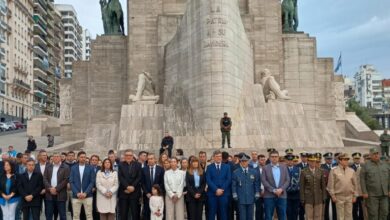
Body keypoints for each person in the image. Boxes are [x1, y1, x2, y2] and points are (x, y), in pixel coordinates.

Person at [360, 147, 389, 220]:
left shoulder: (385, 165)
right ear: (370, 155)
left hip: (384, 194)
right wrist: (364, 192)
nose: (376, 155)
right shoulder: (365, 165)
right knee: (373, 214)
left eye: (377, 154)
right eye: (374, 154)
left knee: (385, 212)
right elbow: (362, 179)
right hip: (372, 195)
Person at [327, 153, 357, 220]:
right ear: (340, 160)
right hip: (339, 197)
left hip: (349, 196)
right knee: (340, 217)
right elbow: (330, 185)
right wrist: (333, 196)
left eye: (347, 159)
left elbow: (355, 184)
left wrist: (355, 196)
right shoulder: (334, 171)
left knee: (349, 216)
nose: (346, 161)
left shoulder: (351, 171)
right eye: (345, 159)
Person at [261, 150, 290, 220]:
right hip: (269, 195)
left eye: (276, 157)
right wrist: (273, 190)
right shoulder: (265, 168)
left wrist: (281, 189)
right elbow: (264, 181)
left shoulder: (284, 167)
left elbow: (287, 180)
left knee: (282, 216)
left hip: (282, 195)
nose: (274, 158)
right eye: (272, 157)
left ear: (278, 157)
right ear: (270, 158)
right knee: (268, 216)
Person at [232, 154, 261, 220]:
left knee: (250, 216)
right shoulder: (236, 172)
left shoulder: (254, 172)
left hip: (251, 197)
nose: (244, 162)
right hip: (240, 198)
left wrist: (257, 192)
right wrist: (234, 194)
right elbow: (234, 184)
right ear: (240, 162)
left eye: (245, 161)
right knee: (242, 217)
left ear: (248, 162)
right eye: (242, 161)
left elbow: (256, 183)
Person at [69, 151, 96, 220]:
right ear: (78, 158)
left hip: (87, 195)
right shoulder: (73, 168)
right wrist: (77, 193)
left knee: (89, 215)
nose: (83, 158)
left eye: (84, 157)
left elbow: (92, 182)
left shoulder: (90, 168)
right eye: (81, 157)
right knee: (75, 216)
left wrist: (85, 193)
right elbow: (71, 182)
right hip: (76, 196)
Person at [206, 150, 232, 220]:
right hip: (212, 194)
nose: (219, 158)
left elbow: (228, 179)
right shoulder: (209, 167)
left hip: (224, 194)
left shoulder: (227, 167)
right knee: (211, 214)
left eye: (220, 156)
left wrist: (221, 190)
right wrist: (216, 190)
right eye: (217, 156)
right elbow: (208, 180)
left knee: (223, 214)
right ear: (214, 157)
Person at [43, 152, 70, 220]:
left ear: (60, 158)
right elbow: (45, 178)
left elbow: (66, 180)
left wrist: (56, 189)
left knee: (62, 215)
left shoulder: (66, 167)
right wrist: (50, 188)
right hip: (49, 194)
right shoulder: (48, 167)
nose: (56, 158)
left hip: (61, 194)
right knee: (49, 215)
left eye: (58, 156)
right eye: (54, 156)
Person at [299, 153, 326, 220]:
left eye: (314, 161)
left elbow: (323, 185)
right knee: (309, 216)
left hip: (318, 198)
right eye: (311, 161)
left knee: (318, 216)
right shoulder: (304, 171)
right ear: (308, 161)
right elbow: (302, 186)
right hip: (308, 198)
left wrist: (324, 197)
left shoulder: (320, 171)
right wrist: (302, 198)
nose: (313, 163)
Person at [118, 149, 143, 220]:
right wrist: (127, 187)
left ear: (133, 156)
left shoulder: (138, 165)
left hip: (135, 193)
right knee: (123, 214)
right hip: (123, 192)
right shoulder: (120, 165)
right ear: (124, 156)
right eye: (127, 155)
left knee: (135, 214)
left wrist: (132, 187)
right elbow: (120, 177)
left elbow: (139, 177)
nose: (128, 157)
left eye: (130, 155)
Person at [142, 153, 165, 220]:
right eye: (148, 159)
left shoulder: (160, 169)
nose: (150, 160)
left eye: (151, 158)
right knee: (147, 213)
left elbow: (162, 182)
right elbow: (142, 183)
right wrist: (147, 193)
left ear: (155, 159)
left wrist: (156, 193)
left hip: (158, 197)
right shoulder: (143, 169)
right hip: (147, 196)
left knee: (157, 214)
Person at [285, 154, 301, 220]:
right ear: (286, 161)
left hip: (296, 194)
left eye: (291, 160)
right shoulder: (283, 169)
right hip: (286, 194)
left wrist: (297, 187)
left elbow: (300, 181)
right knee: (288, 212)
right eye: (288, 160)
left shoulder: (298, 169)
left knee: (295, 211)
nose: (290, 162)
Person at [350, 152, 364, 220]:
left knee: (362, 207)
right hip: (354, 191)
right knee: (354, 207)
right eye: (356, 159)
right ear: (353, 159)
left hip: (361, 190)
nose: (357, 160)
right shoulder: (350, 168)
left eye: (358, 158)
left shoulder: (363, 167)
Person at [256, 154, 266, 220]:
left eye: (264, 160)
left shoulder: (268, 169)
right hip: (258, 193)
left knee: (266, 210)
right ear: (258, 160)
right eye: (261, 160)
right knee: (258, 210)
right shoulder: (254, 170)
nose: (263, 161)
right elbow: (254, 182)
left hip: (267, 192)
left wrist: (265, 190)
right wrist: (259, 191)